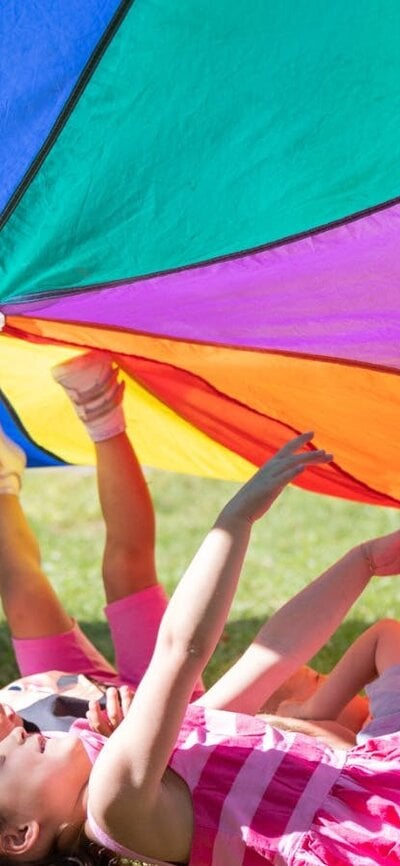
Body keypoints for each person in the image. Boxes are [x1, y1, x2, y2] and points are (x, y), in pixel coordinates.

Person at [0, 405, 399, 866]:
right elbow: (179, 651)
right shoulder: (113, 808)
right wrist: (235, 520)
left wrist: (363, 561)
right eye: (4, 763)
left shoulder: (164, 754)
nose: (16, 737)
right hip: (365, 837)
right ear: (20, 835)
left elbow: (272, 658)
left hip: (373, 789)